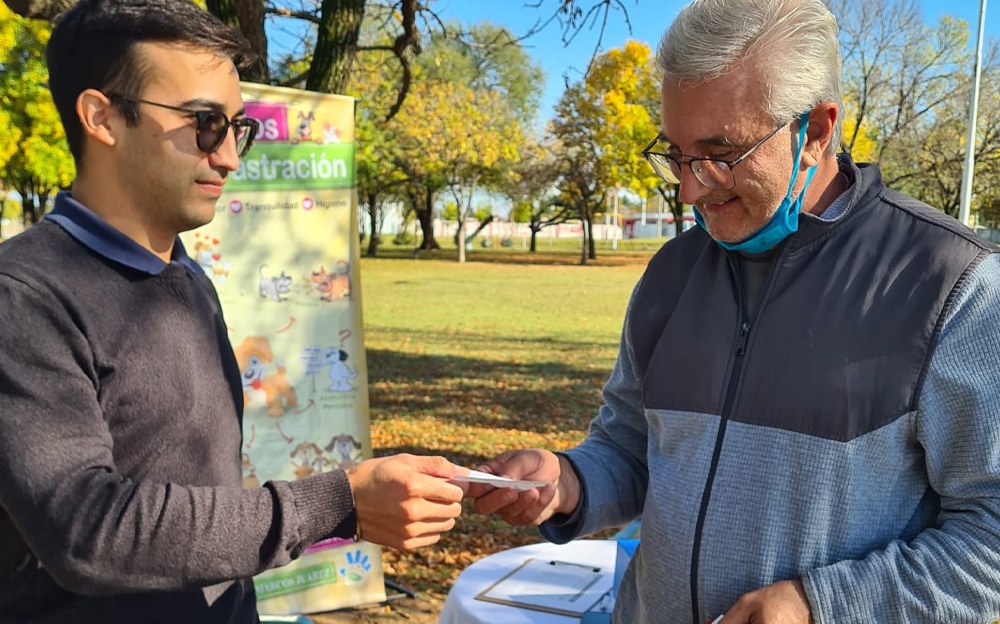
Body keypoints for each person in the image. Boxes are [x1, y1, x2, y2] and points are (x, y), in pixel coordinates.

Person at [469, 0, 1000, 622]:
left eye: (720, 154)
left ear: (816, 130)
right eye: (676, 154)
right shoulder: (671, 275)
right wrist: (568, 481)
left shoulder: (952, 285)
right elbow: (631, 448)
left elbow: (990, 539)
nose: (688, 189)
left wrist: (819, 606)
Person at [0, 1, 467, 622]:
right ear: (101, 117)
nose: (229, 158)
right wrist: (337, 503)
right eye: (204, 124)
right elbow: (87, 530)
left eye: (236, 129)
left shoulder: (186, 275)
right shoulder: (23, 295)